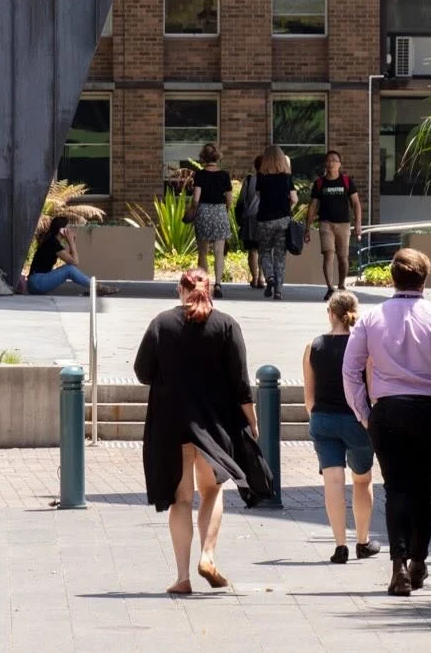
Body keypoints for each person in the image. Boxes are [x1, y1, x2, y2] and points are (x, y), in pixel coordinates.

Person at [342, 247, 431, 597]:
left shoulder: (372, 318)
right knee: (423, 489)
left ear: (392, 278)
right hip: (429, 411)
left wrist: (364, 413)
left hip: (388, 411)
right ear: (424, 279)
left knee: (395, 489)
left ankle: (399, 566)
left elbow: (349, 369)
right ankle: (418, 561)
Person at [134, 267, 265, 595]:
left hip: (171, 421)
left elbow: (142, 371)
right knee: (212, 490)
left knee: (180, 499)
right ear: (211, 291)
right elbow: (241, 382)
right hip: (214, 423)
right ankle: (207, 555)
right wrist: (252, 421)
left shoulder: (161, 324)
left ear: (180, 290)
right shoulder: (226, 325)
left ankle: (182, 577)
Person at [303, 290, 381, 564]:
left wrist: (318, 416)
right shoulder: (363, 347)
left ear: (330, 314)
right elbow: (371, 389)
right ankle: (362, 541)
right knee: (362, 480)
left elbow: (309, 398)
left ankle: (340, 546)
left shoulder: (313, 346)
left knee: (333, 483)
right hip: (355, 421)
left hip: (323, 419)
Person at [304, 150, 361, 298]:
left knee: (343, 257)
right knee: (328, 255)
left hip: (343, 224)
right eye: (328, 160)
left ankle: (341, 284)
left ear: (339, 164)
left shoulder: (346, 181)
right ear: (325, 164)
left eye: (334, 160)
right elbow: (313, 206)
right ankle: (330, 287)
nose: (331, 163)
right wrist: (307, 228)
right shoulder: (319, 183)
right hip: (326, 223)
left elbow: (356, 203)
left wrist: (358, 224)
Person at [254, 143, 298, 300]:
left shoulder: (261, 177)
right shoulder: (286, 178)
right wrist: (287, 207)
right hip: (283, 220)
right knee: (280, 256)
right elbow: (294, 199)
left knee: (264, 251)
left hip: (265, 219)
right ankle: (278, 291)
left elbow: (258, 196)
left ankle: (270, 277)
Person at [190, 143, 232, 295]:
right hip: (219, 212)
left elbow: (196, 199)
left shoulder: (200, 175)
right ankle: (218, 284)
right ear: (217, 157)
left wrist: (192, 210)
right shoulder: (224, 175)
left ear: (203, 157)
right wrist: (225, 211)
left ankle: (202, 284)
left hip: (203, 212)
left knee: (203, 251)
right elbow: (229, 199)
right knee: (219, 251)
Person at [26, 213, 91, 293]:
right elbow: (75, 262)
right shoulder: (52, 243)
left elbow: (71, 262)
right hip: (37, 282)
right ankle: (96, 287)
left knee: (70, 267)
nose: (70, 231)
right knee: (69, 269)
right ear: (61, 230)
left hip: (36, 282)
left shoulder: (52, 241)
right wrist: (71, 242)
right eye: (68, 228)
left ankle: (95, 287)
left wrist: (72, 242)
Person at [235, 155, 264, 288]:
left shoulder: (249, 180)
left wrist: (239, 217)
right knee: (263, 250)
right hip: (265, 218)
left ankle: (255, 278)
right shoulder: (271, 181)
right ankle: (262, 277)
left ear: (255, 166)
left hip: (250, 218)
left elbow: (241, 200)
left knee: (252, 250)